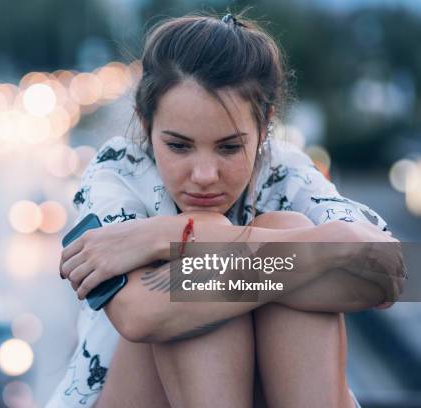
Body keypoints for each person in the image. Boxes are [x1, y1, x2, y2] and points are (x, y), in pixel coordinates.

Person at [47, 12, 402, 408]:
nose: (203, 175)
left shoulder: (284, 170)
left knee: (273, 232)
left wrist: (169, 235)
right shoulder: (117, 173)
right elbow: (140, 314)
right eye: (179, 146)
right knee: (192, 282)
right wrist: (320, 250)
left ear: (265, 126)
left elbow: (395, 272)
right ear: (145, 123)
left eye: (229, 147)